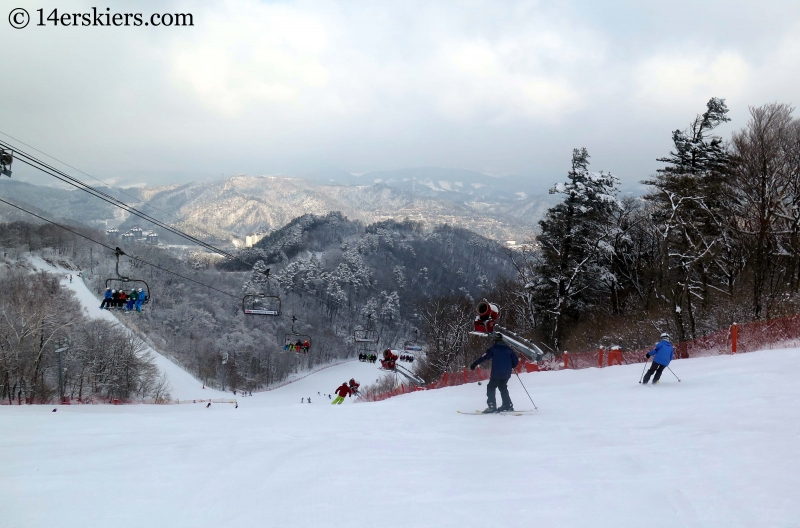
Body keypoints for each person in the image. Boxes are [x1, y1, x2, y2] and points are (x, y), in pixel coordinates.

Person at [470, 334, 519, 413]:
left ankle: (492, 406)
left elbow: (484, 357)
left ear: (495, 340)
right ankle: (507, 404)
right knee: (502, 387)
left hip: (497, 372)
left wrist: (474, 364)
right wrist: (511, 365)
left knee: (491, 387)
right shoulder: (509, 349)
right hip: (506, 373)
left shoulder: (493, 349)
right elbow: (515, 362)